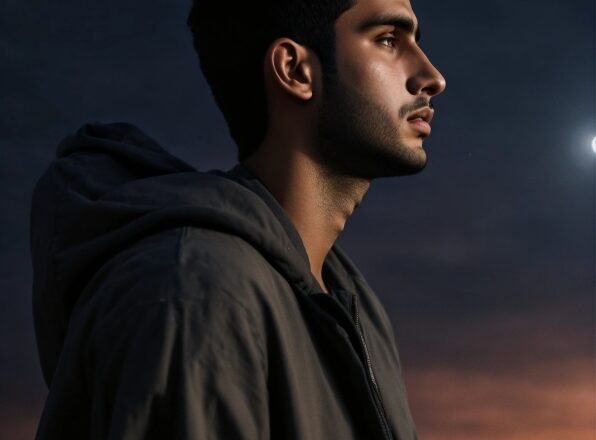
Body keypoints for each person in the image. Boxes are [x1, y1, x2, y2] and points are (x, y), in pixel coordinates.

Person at [30, 0, 445, 438]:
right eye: (387, 40)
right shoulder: (197, 290)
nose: (432, 77)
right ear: (295, 70)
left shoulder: (353, 305)